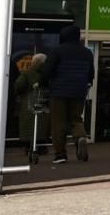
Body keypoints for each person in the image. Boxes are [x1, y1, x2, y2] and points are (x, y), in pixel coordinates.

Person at [40, 24, 94, 164]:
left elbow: (47, 72)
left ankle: (60, 154)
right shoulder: (87, 52)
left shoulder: (57, 51)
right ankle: (80, 137)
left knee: (59, 122)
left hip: (59, 91)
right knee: (76, 118)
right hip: (79, 91)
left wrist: (42, 84)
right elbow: (91, 74)